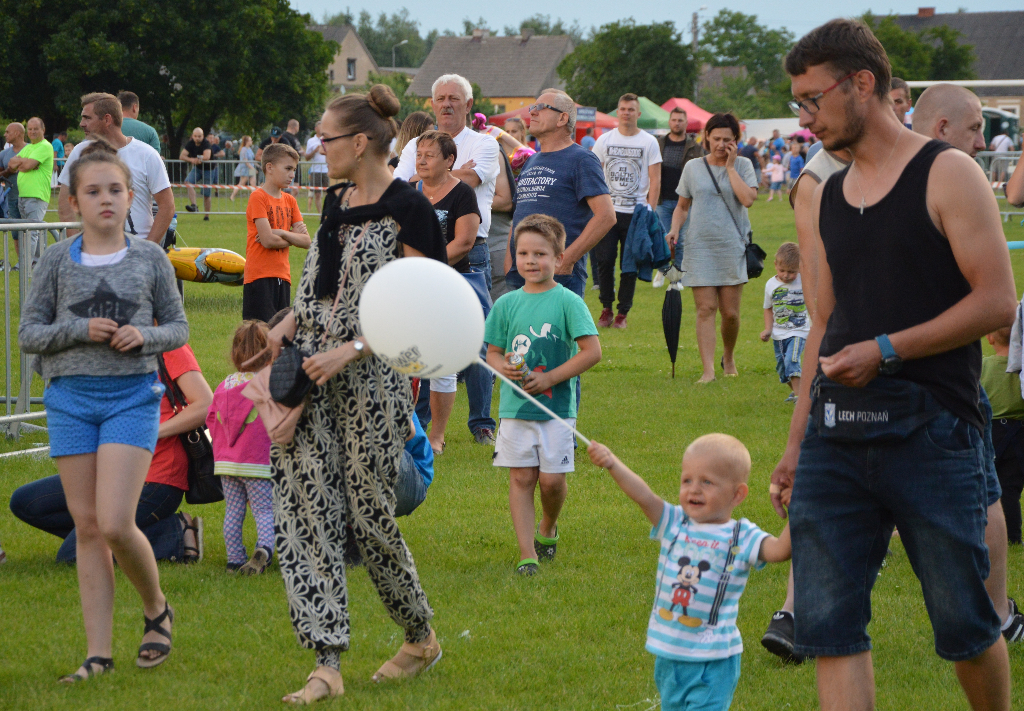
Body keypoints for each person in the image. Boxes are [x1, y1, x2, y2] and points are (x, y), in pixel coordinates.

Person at [775, 19, 1015, 709]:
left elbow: (997, 301)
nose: (805, 117)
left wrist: (886, 350)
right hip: (835, 436)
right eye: (797, 103)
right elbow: (824, 322)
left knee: (966, 623)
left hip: (934, 433)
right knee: (829, 627)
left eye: (812, 99)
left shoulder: (948, 171)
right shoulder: (823, 193)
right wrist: (796, 444)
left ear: (863, 83)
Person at [266, 84, 448, 703]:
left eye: (326, 137)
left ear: (360, 141)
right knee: (303, 507)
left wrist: (358, 346)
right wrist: (282, 332)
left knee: (370, 519)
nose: (318, 147)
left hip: (374, 379)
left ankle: (420, 636)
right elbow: (318, 284)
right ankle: (326, 661)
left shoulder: (412, 210)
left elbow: (427, 307)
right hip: (312, 369)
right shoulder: (335, 199)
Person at [18, 140, 189, 681]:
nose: (106, 200)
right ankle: (97, 654)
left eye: (115, 189)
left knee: (115, 521)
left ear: (130, 194)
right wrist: (78, 330)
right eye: (93, 192)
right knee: (88, 526)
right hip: (70, 400)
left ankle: (156, 607)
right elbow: (29, 334)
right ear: (72, 201)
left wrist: (145, 336)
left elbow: (178, 329)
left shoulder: (151, 258)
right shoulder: (54, 259)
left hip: (131, 399)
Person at [910, 81, 1024, 642]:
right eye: (976, 128)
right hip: (940, 383)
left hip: (884, 379)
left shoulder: (861, 177)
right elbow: (994, 301)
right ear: (943, 129)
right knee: (980, 496)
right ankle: (994, 617)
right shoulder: (952, 180)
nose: (983, 142)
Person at [587, 434, 791, 711]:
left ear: (737, 494)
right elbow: (644, 496)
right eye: (687, 480)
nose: (694, 490)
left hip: (713, 660)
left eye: (707, 482)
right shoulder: (674, 523)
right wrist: (612, 464)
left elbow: (780, 551)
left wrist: (802, 509)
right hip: (669, 656)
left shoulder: (741, 535)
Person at [11, 339, 212, 564]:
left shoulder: (167, 345)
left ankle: (176, 531)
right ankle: (108, 535)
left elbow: (205, 404)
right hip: (107, 471)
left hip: (155, 479)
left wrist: (151, 431)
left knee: (72, 556)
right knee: (25, 502)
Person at [485, 214, 601, 576]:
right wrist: (503, 366)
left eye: (540, 254)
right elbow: (492, 353)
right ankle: (526, 555)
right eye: (523, 253)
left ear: (559, 259)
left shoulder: (568, 302)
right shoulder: (505, 304)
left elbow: (591, 351)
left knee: (551, 481)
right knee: (521, 478)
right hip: (515, 409)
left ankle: (547, 527)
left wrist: (550, 377)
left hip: (556, 410)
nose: (531, 261)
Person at [395, 73, 501, 446]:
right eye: (439, 98)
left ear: (468, 104)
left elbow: (468, 181)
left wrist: (437, 172)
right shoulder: (417, 147)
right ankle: (421, 427)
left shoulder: (486, 143)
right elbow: (400, 185)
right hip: (418, 259)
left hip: (470, 255)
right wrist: (437, 167)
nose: (446, 104)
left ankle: (482, 423)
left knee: (475, 343)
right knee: (424, 344)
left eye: (454, 98)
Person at [667, 113, 758, 383]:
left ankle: (728, 356)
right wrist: (674, 228)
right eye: (716, 138)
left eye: (727, 140)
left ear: (736, 141)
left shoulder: (743, 165)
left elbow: (748, 199)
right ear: (706, 137)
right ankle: (707, 370)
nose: (720, 144)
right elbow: (682, 207)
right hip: (699, 246)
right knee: (705, 309)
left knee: (730, 313)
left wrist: (730, 167)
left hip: (732, 246)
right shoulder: (693, 167)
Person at [504, 89, 615, 298]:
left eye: (540, 108)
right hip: (520, 272)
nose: (532, 113)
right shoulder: (531, 160)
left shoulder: (581, 159)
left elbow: (606, 216)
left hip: (559, 275)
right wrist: (509, 261)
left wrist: (568, 259)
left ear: (562, 118)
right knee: (520, 332)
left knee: (556, 331)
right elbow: (519, 211)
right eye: (532, 108)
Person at [411, 129, 481, 453]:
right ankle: (408, 431)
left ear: (449, 160)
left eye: (429, 155)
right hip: (410, 287)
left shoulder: (463, 193)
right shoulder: (409, 192)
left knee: (442, 365)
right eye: (418, 154)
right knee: (407, 359)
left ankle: (436, 436)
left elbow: (465, 242)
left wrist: (428, 266)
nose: (421, 160)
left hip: (449, 285)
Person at [58, 93, 174, 246]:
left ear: (107, 119)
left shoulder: (147, 154)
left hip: (137, 253)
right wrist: (77, 245)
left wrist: (148, 248)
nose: (81, 123)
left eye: (87, 118)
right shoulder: (79, 153)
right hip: (95, 252)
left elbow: (167, 206)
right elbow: (65, 203)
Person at [206, 321, 276, 574]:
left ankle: (234, 559)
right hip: (257, 462)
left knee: (233, 510)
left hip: (227, 462)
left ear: (235, 353)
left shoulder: (224, 385)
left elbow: (211, 419)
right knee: (264, 509)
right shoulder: (269, 385)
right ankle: (265, 549)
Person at [592, 93, 662, 328]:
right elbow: (593, 172)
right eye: (622, 109)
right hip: (607, 211)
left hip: (636, 212)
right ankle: (606, 308)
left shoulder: (649, 142)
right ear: (617, 111)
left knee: (629, 264)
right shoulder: (604, 140)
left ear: (638, 114)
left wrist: (650, 209)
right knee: (604, 260)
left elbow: (656, 178)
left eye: (631, 109)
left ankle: (622, 313)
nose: (626, 113)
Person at [242, 143, 309, 323]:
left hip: (283, 276)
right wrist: (292, 235)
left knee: (278, 336)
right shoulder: (258, 197)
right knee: (259, 335)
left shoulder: (290, 201)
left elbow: (307, 241)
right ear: (269, 168)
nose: (292, 174)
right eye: (288, 168)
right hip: (259, 277)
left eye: (294, 169)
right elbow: (268, 241)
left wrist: (282, 232)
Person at [653, 107, 705, 284]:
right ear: (669, 122)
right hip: (662, 199)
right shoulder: (658, 144)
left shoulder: (695, 148)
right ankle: (662, 271)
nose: (677, 123)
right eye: (674, 120)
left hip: (684, 202)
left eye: (680, 120)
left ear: (686, 122)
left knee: (680, 241)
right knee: (663, 240)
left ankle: (677, 278)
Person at [984, 326, 1024, 552]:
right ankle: (1014, 537)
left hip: (989, 434)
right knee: (1010, 489)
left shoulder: (983, 366)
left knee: (985, 489)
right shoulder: (1022, 370)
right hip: (1019, 438)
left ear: (989, 337)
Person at [760, 243, 809, 403]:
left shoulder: (805, 282)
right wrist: (768, 329)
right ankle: (800, 392)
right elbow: (768, 308)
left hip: (799, 330)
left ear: (799, 268)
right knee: (783, 369)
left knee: (792, 360)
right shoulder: (771, 285)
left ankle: (800, 398)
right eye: (782, 271)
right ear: (775, 265)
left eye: (792, 272)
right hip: (779, 334)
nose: (786, 275)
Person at [8, 117, 54, 261]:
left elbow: (25, 166)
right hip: (24, 196)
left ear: (43, 130)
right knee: (32, 231)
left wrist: (23, 163)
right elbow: (11, 164)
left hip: (36, 195)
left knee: (32, 232)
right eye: (30, 129)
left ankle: (26, 268)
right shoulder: (28, 147)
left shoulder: (45, 146)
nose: (32, 132)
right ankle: (41, 263)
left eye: (36, 129)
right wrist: (26, 162)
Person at [0, 122, 26, 267]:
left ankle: (33, 262)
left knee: (31, 230)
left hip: (30, 196)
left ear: (17, 133)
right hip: (11, 197)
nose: (5, 134)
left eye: (7, 132)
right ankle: (22, 263)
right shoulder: (3, 154)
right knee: (16, 232)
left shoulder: (32, 150)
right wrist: (8, 172)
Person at [180, 127, 212, 218]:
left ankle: (207, 215)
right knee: (188, 182)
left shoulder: (206, 143)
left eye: (199, 136)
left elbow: (207, 156)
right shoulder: (190, 143)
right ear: (192, 136)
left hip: (208, 169)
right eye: (195, 136)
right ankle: (194, 205)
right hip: (197, 168)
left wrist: (199, 159)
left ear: (203, 136)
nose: (197, 138)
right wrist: (192, 160)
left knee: (206, 193)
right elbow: (182, 156)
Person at [305, 120, 329, 212]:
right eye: (320, 127)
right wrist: (314, 151)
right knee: (317, 194)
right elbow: (307, 157)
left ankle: (327, 211)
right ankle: (320, 214)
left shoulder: (327, 139)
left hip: (326, 170)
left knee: (327, 193)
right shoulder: (311, 141)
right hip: (316, 170)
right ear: (316, 129)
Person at [230, 135, 255, 201]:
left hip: (251, 167)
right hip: (245, 168)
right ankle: (232, 196)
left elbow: (252, 159)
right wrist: (252, 168)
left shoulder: (250, 149)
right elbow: (245, 161)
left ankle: (254, 198)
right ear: (247, 141)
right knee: (241, 183)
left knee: (253, 183)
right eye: (250, 140)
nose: (251, 141)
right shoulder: (244, 149)